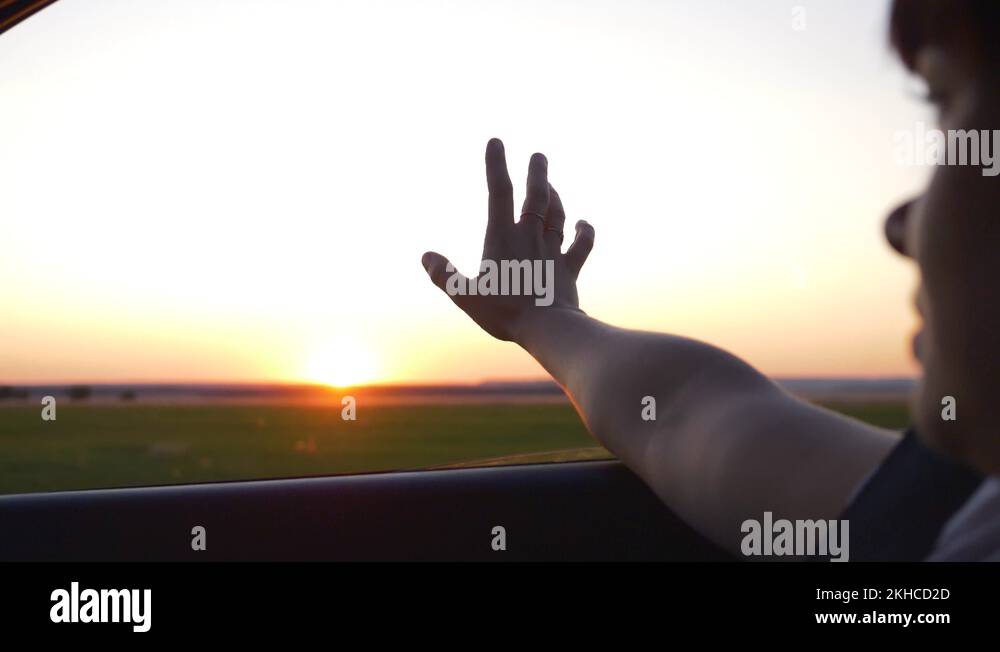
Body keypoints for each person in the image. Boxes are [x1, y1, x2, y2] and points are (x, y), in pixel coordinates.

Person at [420, 0, 1000, 561]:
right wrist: (543, 318)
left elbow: (686, 414)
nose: (901, 227)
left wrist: (540, 319)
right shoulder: (969, 515)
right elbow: (685, 414)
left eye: (946, 106)